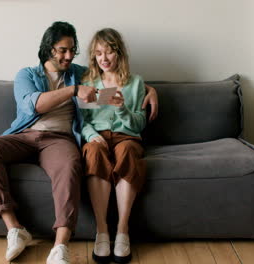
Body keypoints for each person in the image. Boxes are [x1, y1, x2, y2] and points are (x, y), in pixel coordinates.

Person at [0, 22, 157, 264]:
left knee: (72, 165)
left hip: (60, 140)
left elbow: (109, 80)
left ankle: (60, 246)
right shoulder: (27, 75)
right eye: (63, 50)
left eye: (72, 50)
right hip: (25, 135)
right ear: (48, 49)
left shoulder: (79, 72)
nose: (69, 56)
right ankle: (14, 228)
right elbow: (34, 104)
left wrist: (149, 89)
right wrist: (73, 91)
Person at [80, 28, 147, 264]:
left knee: (127, 152)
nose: (104, 59)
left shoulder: (136, 83)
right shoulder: (89, 82)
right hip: (98, 136)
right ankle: (102, 231)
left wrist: (122, 109)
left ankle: (122, 230)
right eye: (98, 53)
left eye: (108, 52)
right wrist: (90, 135)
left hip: (126, 137)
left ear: (118, 53)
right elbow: (82, 122)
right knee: (94, 153)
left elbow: (140, 123)